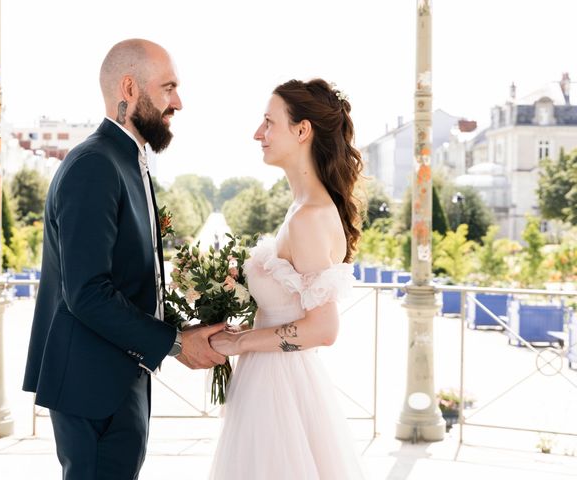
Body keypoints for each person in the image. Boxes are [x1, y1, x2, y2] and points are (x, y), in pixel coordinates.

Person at [22, 39, 226, 480]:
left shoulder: (128, 160)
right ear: (129, 88)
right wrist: (174, 343)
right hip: (94, 387)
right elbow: (88, 293)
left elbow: (130, 278)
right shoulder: (95, 164)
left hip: (117, 377)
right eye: (168, 87)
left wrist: (184, 327)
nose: (179, 102)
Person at [209, 78, 365, 479]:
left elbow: (323, 329)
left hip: (280, 394)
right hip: (268, 381)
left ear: (302, 130)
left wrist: (240, 341)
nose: (258, 133)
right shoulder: (300, 208)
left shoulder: (310, 217)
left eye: (268, 122)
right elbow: (287, 308)